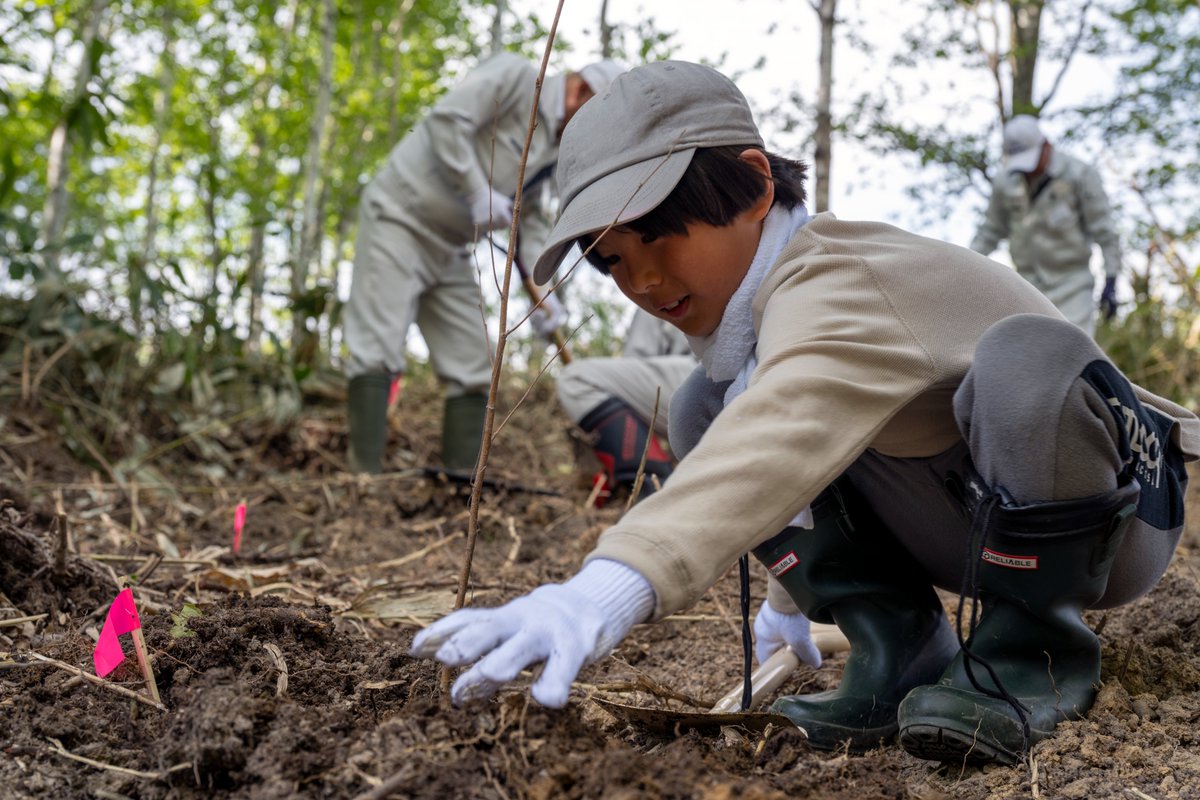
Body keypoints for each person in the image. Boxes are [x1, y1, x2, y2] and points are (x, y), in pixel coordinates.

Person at [409, 61, 1197, 765]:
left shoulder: (838, 277)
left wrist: (602, 589)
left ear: (754, 187)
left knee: (1028, 357)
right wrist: (795, 598)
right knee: (703, 409)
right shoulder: (749, 326)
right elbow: (790, 433)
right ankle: (900, 649)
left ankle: (1033, 654)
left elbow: (784, 425)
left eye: (657, 233)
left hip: (1117, 518)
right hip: (964, 517)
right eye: (612, 259)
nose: (642, 280)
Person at [343, 53, 624, 473]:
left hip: (451, 247)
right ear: (582, 90)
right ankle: (362, 480)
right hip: (399, 219)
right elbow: (445, 122)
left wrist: (543, 298)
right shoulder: (515, 80)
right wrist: (476, 189)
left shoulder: (554, 149)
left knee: (474, 362)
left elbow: (526, 221)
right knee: (377, 348)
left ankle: (461, 487)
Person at [970, 114, 1123, 337]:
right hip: (1026, 286)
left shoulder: (1079, 174)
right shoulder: (1006, 182)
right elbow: (990, 230)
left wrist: (1111, 278)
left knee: (1070, 353)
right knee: (1026, 356)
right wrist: (964, 264)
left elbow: (1105, 231)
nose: (1028, 169)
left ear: (1046, 146)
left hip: (1072, 284)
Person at [556, 307, 696, 504]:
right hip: (729, 383)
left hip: (710, 372)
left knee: (575, 379)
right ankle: (648, 484)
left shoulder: (650, 287)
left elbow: (637, 361)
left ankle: (655, 490)